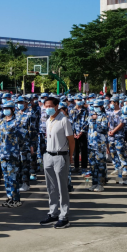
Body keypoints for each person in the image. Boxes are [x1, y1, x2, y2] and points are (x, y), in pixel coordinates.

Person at [40, 97, 73, 229]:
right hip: (49, 155)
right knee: (51, 187)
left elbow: (71, 140)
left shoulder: (64, 120)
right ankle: (53, 213)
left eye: (50, 106)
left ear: (57, 106)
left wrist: (70, 156)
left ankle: (64, 216)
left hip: (61, 156)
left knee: (62, 188)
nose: (47, 108)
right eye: (46, 106)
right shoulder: (48, 120)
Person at [0, 101, 26, 205]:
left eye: (7, 108)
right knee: (6, 177)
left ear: (13, 109)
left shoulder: (17, 122)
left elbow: (23, 137)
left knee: (13, 177)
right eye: (4, 108)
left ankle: (15, 198)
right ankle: (9, 196)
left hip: (13, 154)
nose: (5, 110)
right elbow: (0, 136)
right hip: (3, 153)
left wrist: (19, 149)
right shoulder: (2, 121)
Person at [86, 100, 110, 190]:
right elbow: (85, 126)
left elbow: (103, 129)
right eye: (93, 106)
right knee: (92, 165)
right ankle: (94, 183)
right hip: (91, 144)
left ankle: (101, 183)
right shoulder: (90, 116)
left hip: (100, 144)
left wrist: (95, 121)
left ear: (101, 107)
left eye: (97, 106)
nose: (95, 108)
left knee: (100, 165)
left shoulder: (103, 117)